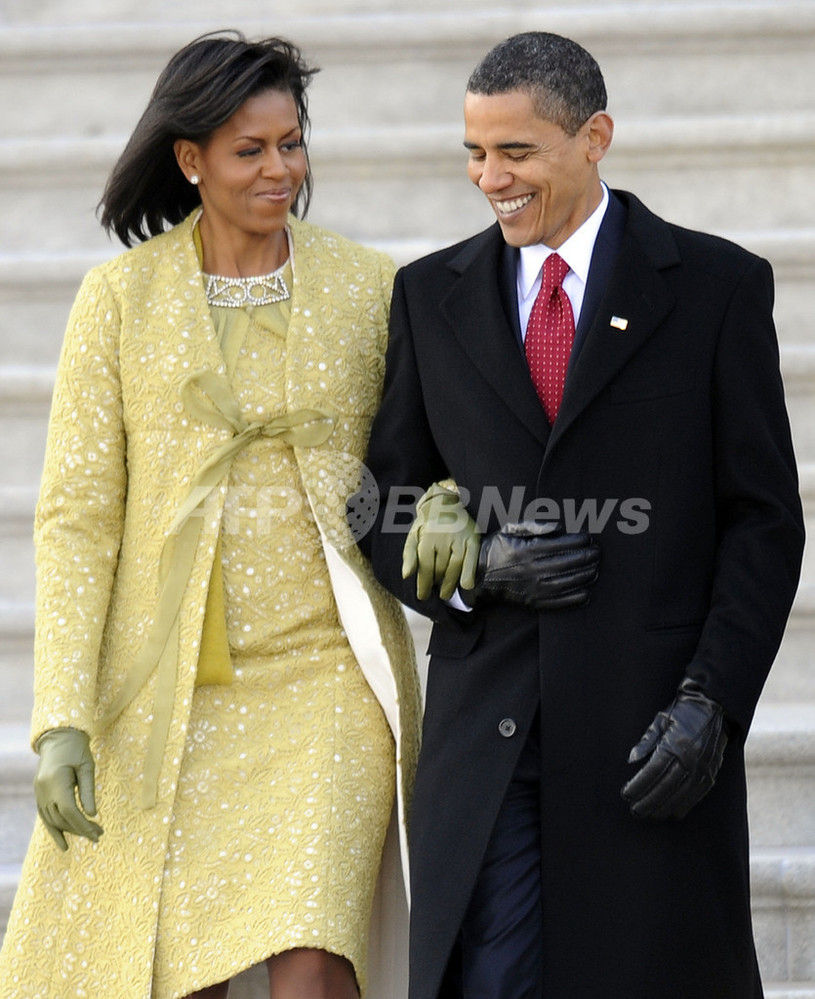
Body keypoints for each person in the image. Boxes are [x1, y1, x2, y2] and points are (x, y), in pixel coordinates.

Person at [359, 30, 804, 999]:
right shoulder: (426, 297)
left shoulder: (716, 289)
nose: (489, 178)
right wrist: (475, 570)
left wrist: (710, 704)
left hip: (648, 735)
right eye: (473, 153)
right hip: (490, 741)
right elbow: (379, 505)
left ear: (593, 137)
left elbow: (763, 522)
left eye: (514, 152)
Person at [0, 31, 420, 999]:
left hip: (327, 682)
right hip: (170, 697)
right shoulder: (118, 301)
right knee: (172, 973)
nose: (281, 169)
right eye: (250, 149)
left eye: (292, 143)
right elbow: (74, 519)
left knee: (314, 952)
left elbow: (423, 455)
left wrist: (435, 508)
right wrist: (60, 719)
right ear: (190, 160)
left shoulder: (369, 286)